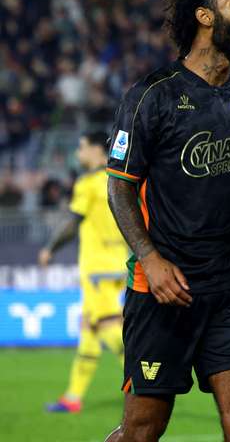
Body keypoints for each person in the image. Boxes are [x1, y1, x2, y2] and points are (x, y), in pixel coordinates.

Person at [104, 0, 230, 442]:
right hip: (161, 287)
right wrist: (150, 260)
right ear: (204, 16)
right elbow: (119, 187)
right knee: (142, 430)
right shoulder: (151, 95)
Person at [41, 130, 129, 414]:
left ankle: (145, 381)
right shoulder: (119, 179)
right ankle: (72, 398)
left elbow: (73, 222)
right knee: (89, 334)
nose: (78, 153)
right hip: (117, 262)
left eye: (81, 148)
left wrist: (50, 249)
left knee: (108, 329)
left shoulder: (88, 183)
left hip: (96, 268)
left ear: (95, 150)